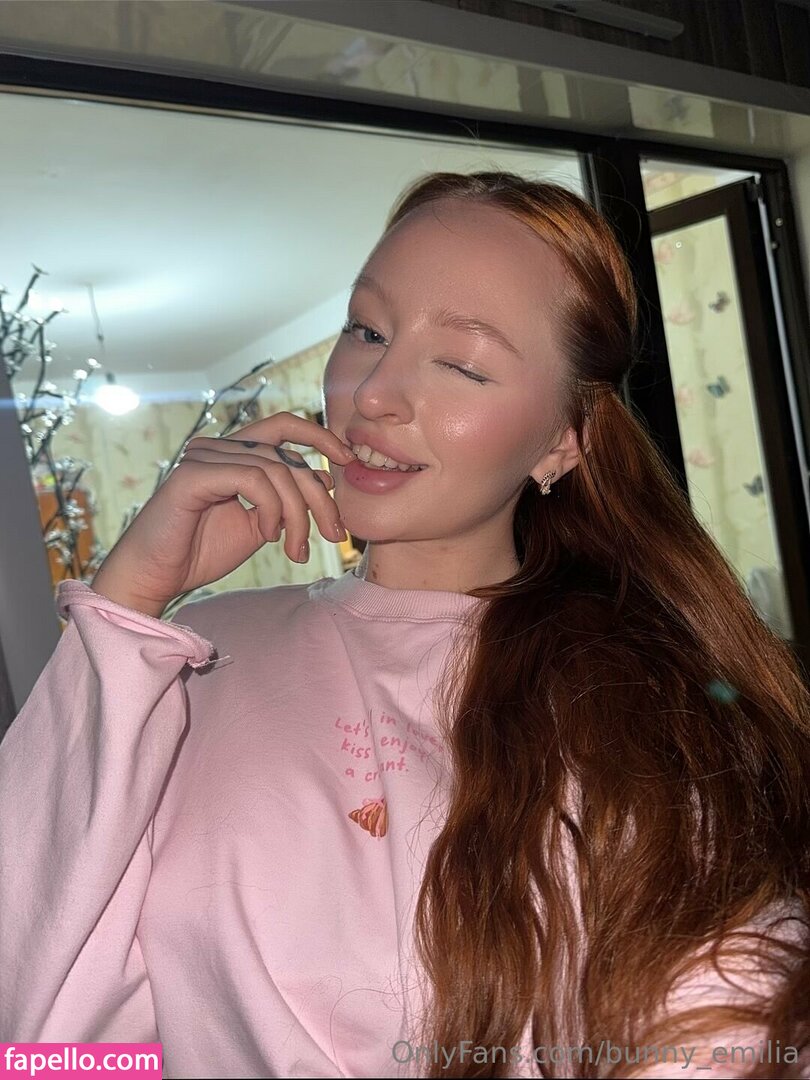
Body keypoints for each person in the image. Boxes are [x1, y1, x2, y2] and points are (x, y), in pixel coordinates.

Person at [1, 170, 809, 1080]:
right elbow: (43, 1043)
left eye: (461, 364)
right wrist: (127, 604)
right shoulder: (195, 656)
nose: (375, 392)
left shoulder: (641, 711)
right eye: (367, 330)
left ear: (562, 439)